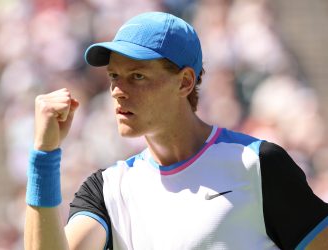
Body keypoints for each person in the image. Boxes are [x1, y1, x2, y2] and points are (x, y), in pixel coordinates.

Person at [24, 11, 328, 250]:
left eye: (137, 76)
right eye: (114, 75)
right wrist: (44, 156)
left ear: (184, 82)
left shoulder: (259, 165)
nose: (117, 90)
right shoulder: (106, 189)